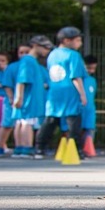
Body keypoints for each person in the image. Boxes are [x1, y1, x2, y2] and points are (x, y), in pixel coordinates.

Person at [37, 27, 88, 159]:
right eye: (77, 40)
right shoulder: (73, 55)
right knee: (73, 121)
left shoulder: (53, 54)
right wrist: (82, 94)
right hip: (70, 92)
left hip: (54, 92)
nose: (80, 43)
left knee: (51, 120)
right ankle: (76, 149)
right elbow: (76, 76)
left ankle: (39, 148)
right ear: (66, 40)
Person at [12, 36, 52, 159]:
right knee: (27, 122)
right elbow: (22, 80)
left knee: (21, 121)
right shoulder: (28, 61)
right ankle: (26, 148)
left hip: (29, 96)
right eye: (45, 47)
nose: (47, 51)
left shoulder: (32, 61)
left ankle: (19, 148)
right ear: (35, 45)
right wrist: (19, 96)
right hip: (28, 97)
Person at [0, 45, 29, 157]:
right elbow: (7, 84)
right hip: (11, 100)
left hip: (27, 101)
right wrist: (11, 98)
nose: (24, 55)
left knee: (22, 124)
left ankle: (20, 147)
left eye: (27, 52)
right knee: (6, 124)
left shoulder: (34, 66)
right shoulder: (12, 67)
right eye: (21, 52)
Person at [81, 55, 99, 156]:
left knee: (90, 128)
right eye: (89, 68)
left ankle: (88, 149)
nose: (91, 71)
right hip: (79, 109)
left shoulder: (92, 80)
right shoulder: (77, 79)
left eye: (93, 68)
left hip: (90, 109)